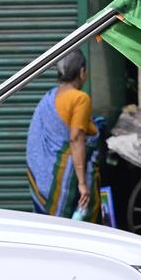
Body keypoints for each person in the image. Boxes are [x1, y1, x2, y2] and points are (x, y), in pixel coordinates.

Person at [26, 49, 100, 220]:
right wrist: (82, 183)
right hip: (69, 180)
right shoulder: (80, 98)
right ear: (82, 72)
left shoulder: (50, 97)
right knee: (81, 226)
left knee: (51, 227)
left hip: (46, 178)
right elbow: (76, 138)